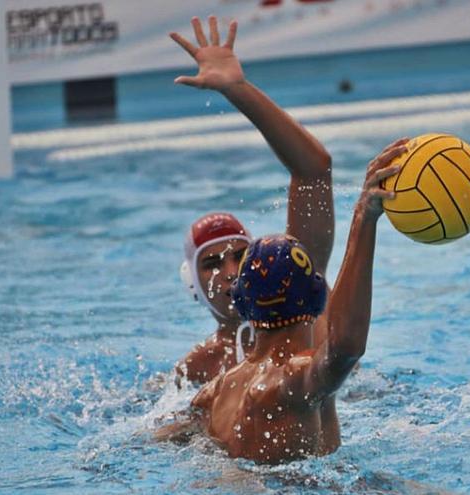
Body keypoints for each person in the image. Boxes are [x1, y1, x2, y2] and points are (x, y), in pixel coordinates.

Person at [155, 138, 410, 465]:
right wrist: (364, 219)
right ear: (319, 298)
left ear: (245, 307)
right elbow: (345, 347)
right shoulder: (293, 380)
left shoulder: (215, 392)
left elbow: (157, 437)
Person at [170, 16, 334, 385]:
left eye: (240, 256)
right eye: (212, 263)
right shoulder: (194, 373)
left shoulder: (306, 310)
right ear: (192, 283)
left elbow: (313, 170)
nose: (231, 273)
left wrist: (238, 90)